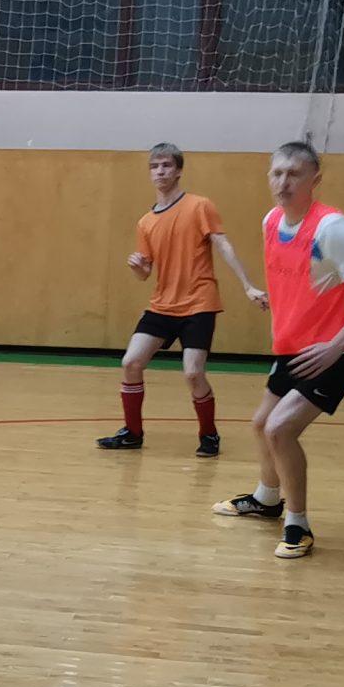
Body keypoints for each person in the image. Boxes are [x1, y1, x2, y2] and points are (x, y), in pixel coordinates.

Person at [214, 141, 344, 560]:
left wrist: (337, 345)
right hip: (297, 346)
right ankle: (266, 499)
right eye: (277, 173)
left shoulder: (332, 228)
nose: (284, 182)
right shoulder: (272, 220)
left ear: (315, 180)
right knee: (261, 424)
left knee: (280, 428)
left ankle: (298, 524)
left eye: (294, 174)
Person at [97, 142, 266, 455]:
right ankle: (132, 433)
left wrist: (248, 286)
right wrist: (138, 268)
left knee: (193, 373)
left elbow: (223, 245)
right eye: (154, 166)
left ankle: (209, 434)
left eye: (166, 165)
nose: (160, 171)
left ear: (178, 170)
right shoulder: (146, 222)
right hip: (162, 305)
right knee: (131, 362)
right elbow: (145, 273)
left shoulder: (199, 206)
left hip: (199, 303)